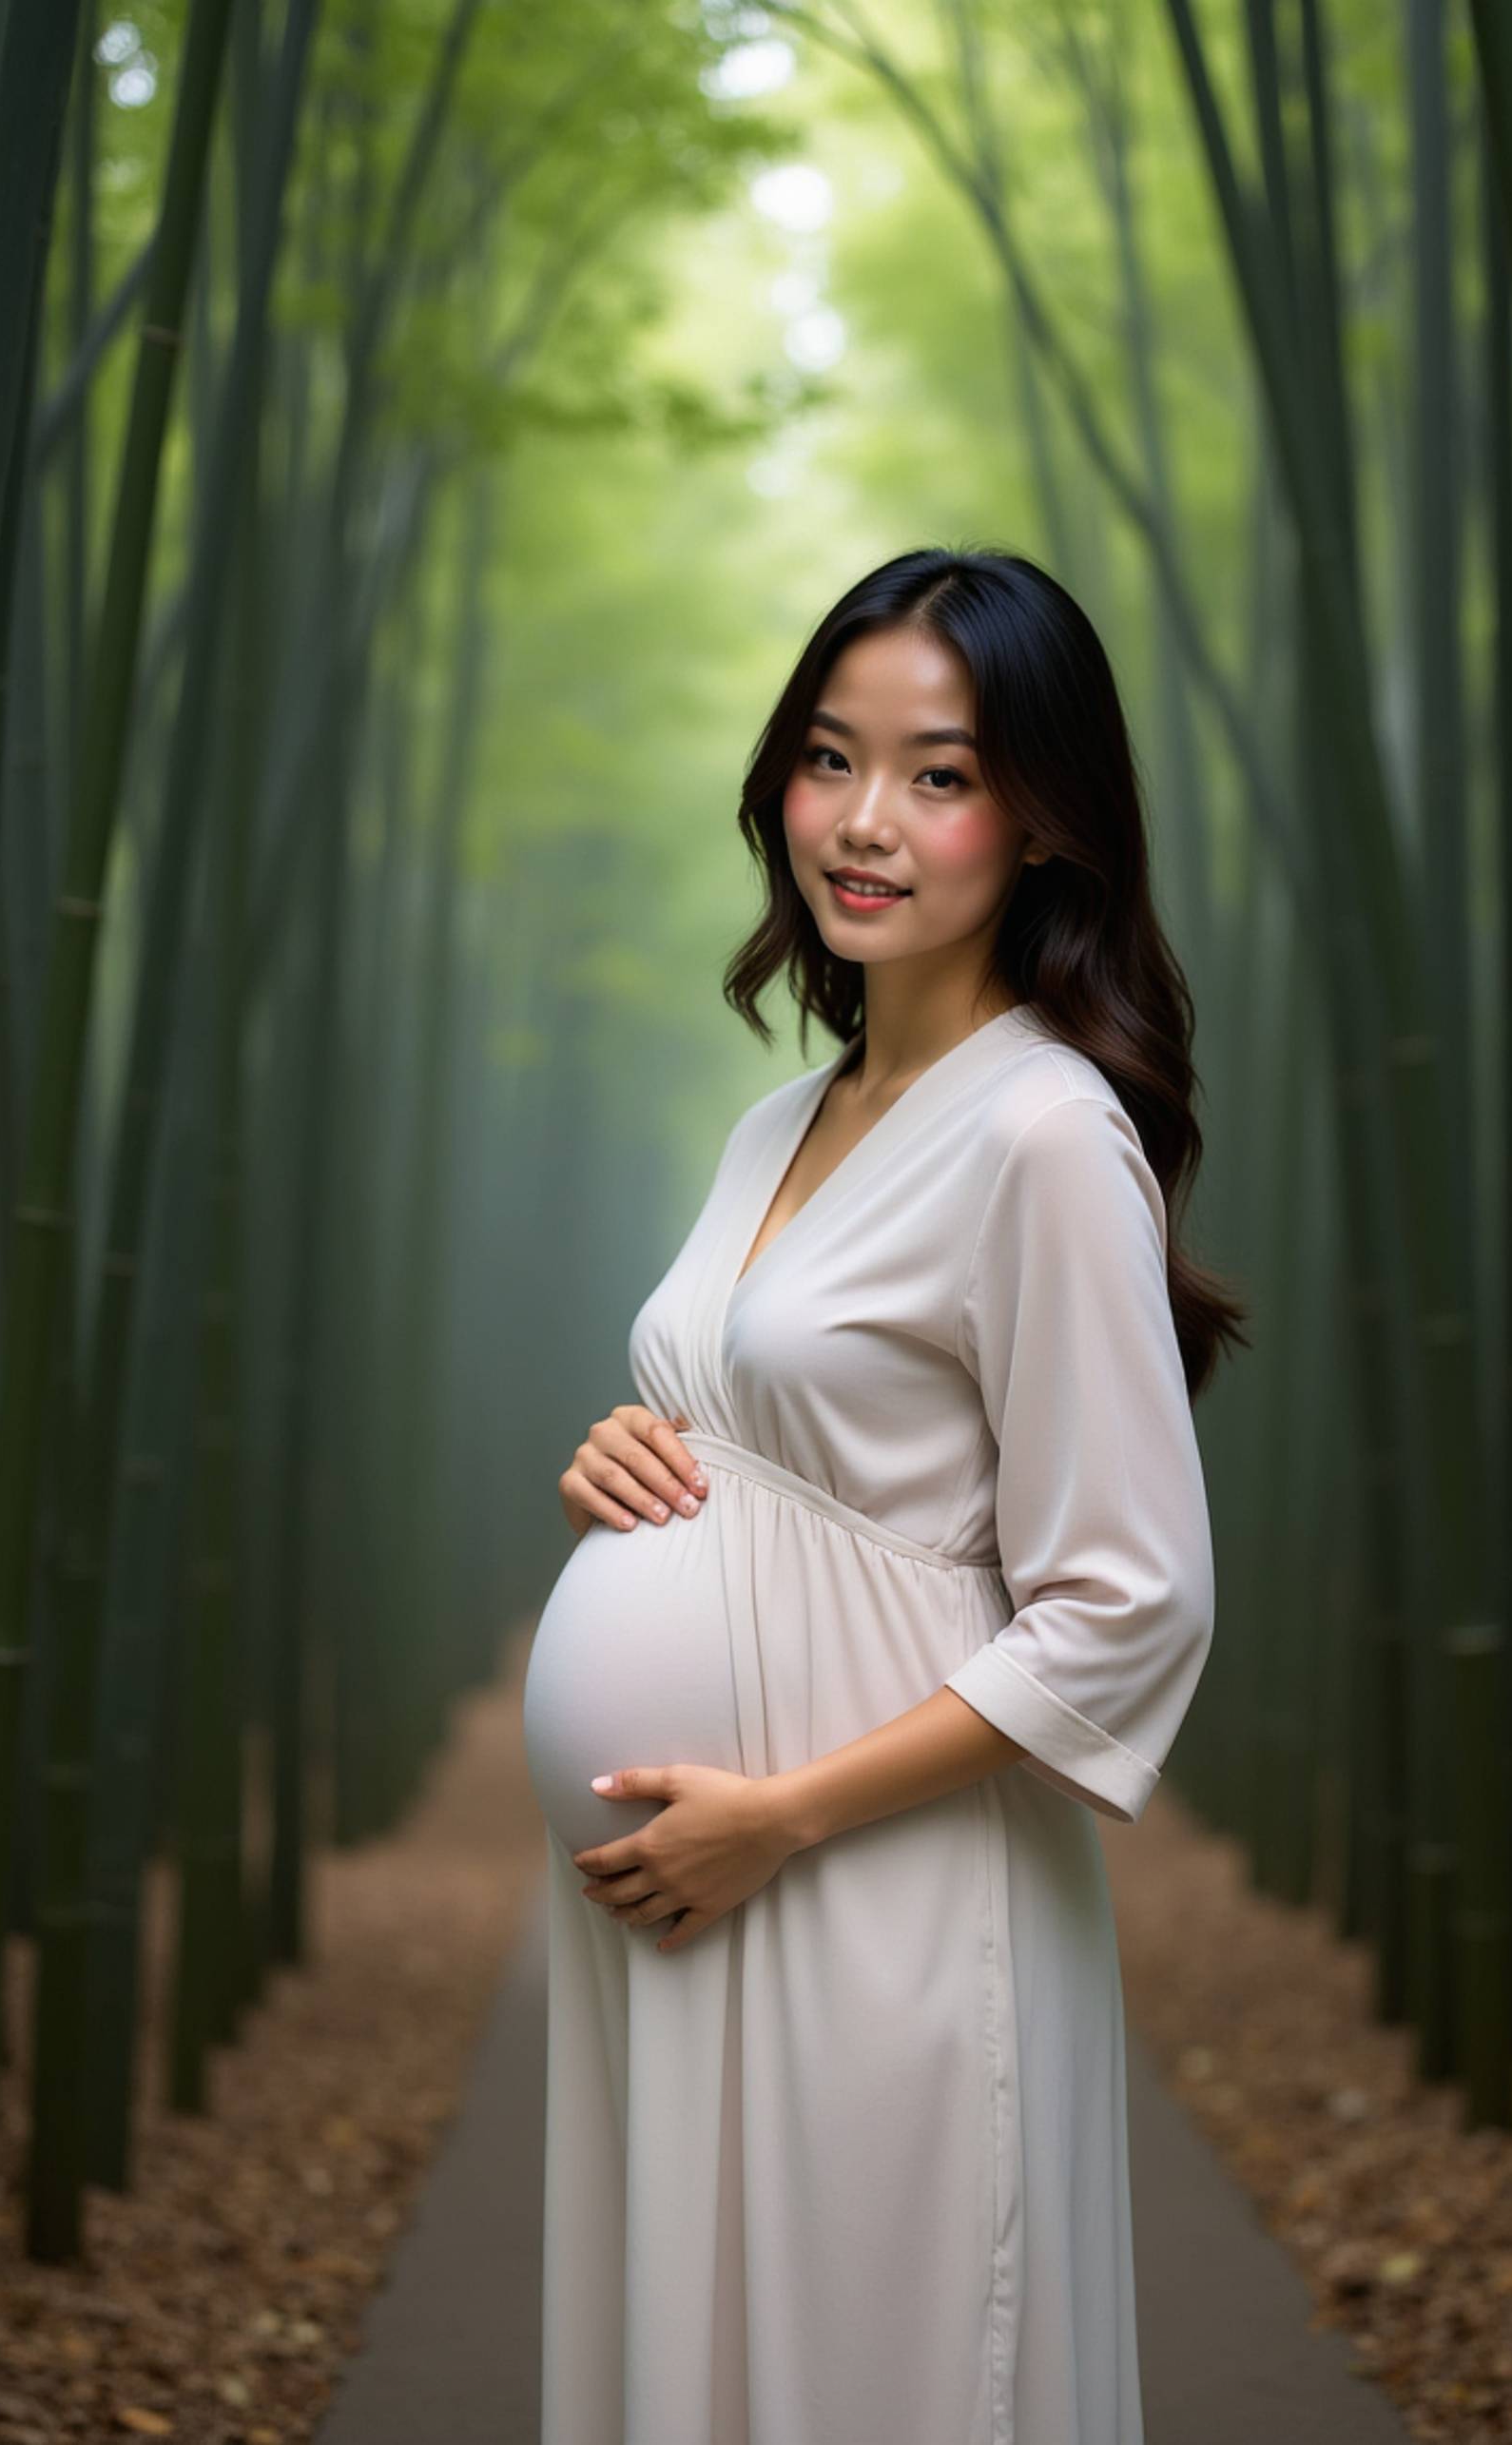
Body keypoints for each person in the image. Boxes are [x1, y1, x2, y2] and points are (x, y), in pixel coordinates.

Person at [520, 544, 1247, 2445]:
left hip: (873, 1892)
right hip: (696, 1896)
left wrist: (780, 1814)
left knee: (872, 2373)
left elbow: (1129, 1598)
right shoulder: (783, 1117)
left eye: (941, 775)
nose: (864, 822)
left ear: (1045, 817)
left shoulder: (1045, 1131)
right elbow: (784, 1439)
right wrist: (625, 1453)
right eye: (831, 758)